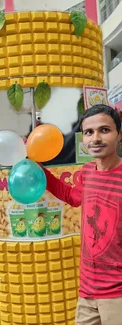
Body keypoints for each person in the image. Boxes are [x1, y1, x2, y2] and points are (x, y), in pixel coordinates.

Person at [43, 104, 122, 325]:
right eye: (89, 132)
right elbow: (72, 196)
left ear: (119, 134)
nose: (95, 138)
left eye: (104, 130)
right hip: (87, 289)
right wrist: (40, 171)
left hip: (118, 294)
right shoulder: (87, 172)